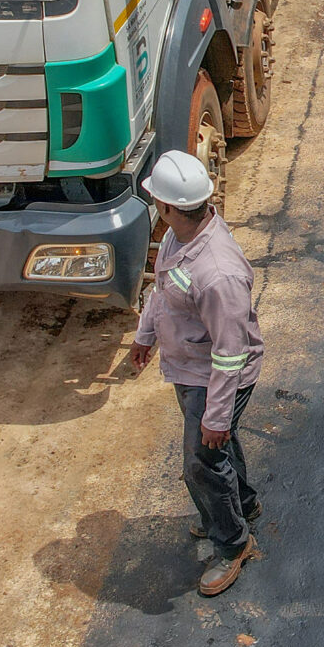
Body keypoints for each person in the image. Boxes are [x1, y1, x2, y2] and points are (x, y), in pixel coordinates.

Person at [128, 148, 266, 598]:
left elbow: (230, 353)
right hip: (191, 369)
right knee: (216, 450)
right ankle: (240, 505)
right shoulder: (179, 237)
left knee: (201, 464)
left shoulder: (219, 274)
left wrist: (217, 414)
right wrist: (146, 334)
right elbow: (163, 290)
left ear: (168, 207)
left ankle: (233, 543)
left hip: (216, 379)